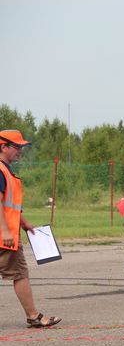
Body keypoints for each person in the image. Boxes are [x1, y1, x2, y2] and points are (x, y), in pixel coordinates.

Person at [1, 130, 62, 329]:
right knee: (19, 274)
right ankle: (33, 315)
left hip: (7, 233)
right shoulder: (1, 171)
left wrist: (23, 222)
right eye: (17, 147)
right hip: (4, 238)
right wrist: (7, 231)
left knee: (19, 273)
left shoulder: (6, 171)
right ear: (3, 147)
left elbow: (10, 206)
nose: (21, 151)